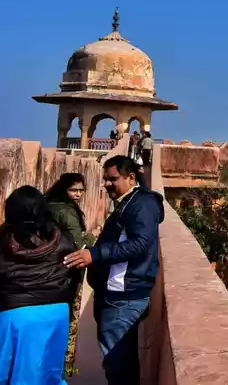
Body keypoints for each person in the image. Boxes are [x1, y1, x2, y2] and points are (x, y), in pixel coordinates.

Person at [63, 156, 164, 385]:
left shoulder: (142, 204)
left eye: (113, 179)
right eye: (106, 179)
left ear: (130, 178)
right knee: (121, 362)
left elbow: (140, 245)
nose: (107, 184)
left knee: (118, 364)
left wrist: (95, 255)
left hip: (123, 297)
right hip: (117, 296)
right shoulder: (130, 201)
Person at [0, 186, 79, 384]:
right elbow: (74, 273)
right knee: (47, 373)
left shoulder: (3, 243)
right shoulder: (62, 239)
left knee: (2, 374)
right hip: (56, 313)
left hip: (15, 314)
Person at [46, 172, 96, 378]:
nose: (77, 194)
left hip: (46, 272)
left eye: (81, 190)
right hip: (67, 271)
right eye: (73, 190)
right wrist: (92, 238)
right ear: (64, 189)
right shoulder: (66, 211)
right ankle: (63, 372)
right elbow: (80, 244)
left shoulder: (47, 203)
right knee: (69, 322)